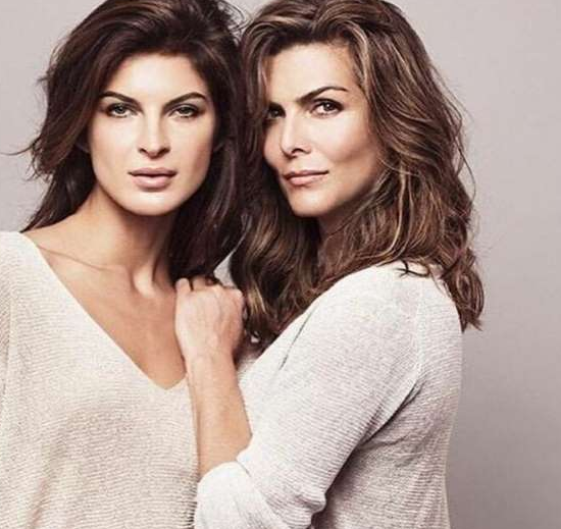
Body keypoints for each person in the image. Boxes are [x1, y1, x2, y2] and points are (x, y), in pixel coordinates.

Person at [0, 0, 246, 527]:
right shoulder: (4, 276)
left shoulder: (221, 320)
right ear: (81, 128)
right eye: (120, 110)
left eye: (184, 111)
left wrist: (213, 361)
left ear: (219, 134)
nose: (153, 143)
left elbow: (245, 513)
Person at [173, 0, 485, 527]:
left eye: (324, 107)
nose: (289, 143)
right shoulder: (348, 292)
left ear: (391, 118)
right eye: (273, 114)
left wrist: (207, 357)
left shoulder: (378, 306)